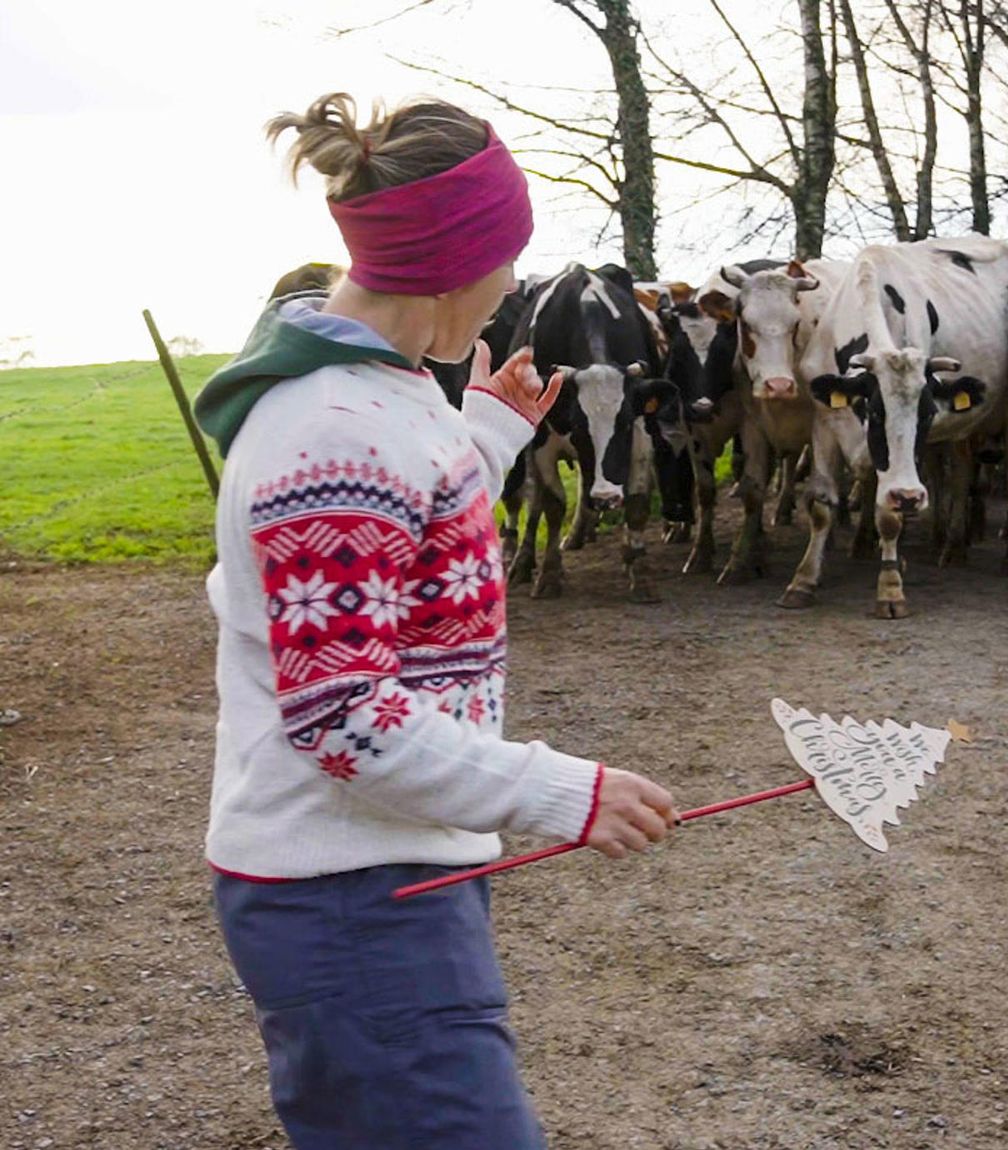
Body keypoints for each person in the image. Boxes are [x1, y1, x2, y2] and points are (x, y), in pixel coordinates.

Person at [194, 93, 677, 1150]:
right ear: (456, 264)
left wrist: (488, 437)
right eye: (507, 258)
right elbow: (346, 718)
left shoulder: (377, 394)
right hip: (350, 903)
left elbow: (394, 539)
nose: (512, 284)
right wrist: (559, 791)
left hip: (382, 876)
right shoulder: (331, 433)